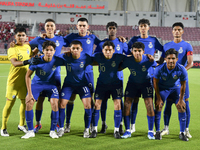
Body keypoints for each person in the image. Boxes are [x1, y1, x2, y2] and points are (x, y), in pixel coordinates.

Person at [62, 17, 101, 133]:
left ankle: (92, 126)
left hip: (88, 73)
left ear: (88, 27)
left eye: (84, 25)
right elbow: (58, 42)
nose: (82, 28)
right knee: (71, 98)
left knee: (90, 100)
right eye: (80, 25)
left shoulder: (92, 37)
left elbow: (103, 44)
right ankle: (67, 124)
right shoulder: (71, 37)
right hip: (74, 72)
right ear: (77, 26)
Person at [29, 18, 66, 133]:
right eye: (47, 26)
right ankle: (38, 124)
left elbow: (77, 41)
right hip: (41, 75)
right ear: (44, 28)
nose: (49, 28)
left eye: (51, 26)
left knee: (55, 101)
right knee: (39, 100)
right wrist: (33, 53)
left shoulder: (61, 39)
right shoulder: (39, 39)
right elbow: (26, 47)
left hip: (55, 75)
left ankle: (56, 125)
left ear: (55, 28)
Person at [127, 18, 163, 133]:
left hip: (150, 76)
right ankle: (132, 126)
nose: (143, 28)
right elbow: (126, 51)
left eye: (145, 26)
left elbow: (163, 50)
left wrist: (159, 63)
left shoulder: (153, 40)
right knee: (134, 101)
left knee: (149, 102)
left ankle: (151, 129)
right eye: (141, 26)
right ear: (139, 27)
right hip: (136, 74)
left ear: (148, 27)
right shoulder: (134, 39)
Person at [1, 27, 38, 137]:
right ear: (15, 36)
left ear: (26, 36)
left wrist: (34, 54)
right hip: (14, 81)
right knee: (9, 104)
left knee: (24, 102)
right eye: (19, 35)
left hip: (25, 81)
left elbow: (30, 56)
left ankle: (21, 124)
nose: (21, 37)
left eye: (23, 35)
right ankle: (3, 127)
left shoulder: (27, 46)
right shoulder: (12, 48)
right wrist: (28, 61)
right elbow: (15, 63)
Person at [21, 41, 63, 139]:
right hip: (37, 84)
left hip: (51, 85)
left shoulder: (57, 60)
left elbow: (70, 60)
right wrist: (29, 93)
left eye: (51, 50)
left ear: (54, 51)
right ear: (43, 51)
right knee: (29, 102)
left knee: (55, 103)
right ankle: (30, 131)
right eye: (47, 50)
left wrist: (68, 53)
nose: (49, 52)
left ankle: (52, 131)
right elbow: (27, 76)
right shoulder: (36, 60)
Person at [158, 22, 193, 138]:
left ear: (182, 31)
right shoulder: (166, 46)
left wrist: (181, 72)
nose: (177, 31)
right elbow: (161, 62)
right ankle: (166, 128)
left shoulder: (187, 46)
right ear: (172, 31)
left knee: (184, 104)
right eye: (175, 29)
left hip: (181, 80)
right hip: (168, 80)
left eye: (179, 29)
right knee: (168, 103)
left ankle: (185, 130)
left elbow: (190, 63)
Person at [94, 21, 129, 134]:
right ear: (107, 30)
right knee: (102, 102)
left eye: (114, 28)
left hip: (118, 77)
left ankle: (120, 125)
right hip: (104, 77)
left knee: (119, 102)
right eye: (110, 28)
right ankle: (103, 124)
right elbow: (96, 57)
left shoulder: (121, 42)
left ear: (116, 29)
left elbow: (128, 56)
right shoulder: (101, 44)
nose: (112, 30)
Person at [57, 40, 93, 138]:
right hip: (68, 85)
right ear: (70, 49)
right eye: (73, 48)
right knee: (61, 104)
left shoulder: (86, 57)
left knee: (88, 106)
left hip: (82, 85)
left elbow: (99, 60)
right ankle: (62, 127)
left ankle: (86, 129)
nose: (75, 50)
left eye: (77, 48)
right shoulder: (65, 56)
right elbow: (53, 58)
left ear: (81, 49)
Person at [120, 42, 157, 139]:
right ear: (132, 51)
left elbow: (157, 68)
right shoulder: (128, 60)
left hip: (146, 83)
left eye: (139, 51)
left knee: (149, 105)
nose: (137, 53)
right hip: (132, 83)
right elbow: (119, 67)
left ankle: (150, 131)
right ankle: (127, 130)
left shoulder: (149, 60)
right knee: (127, 104)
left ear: (143, 52)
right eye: (135, 51)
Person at [90, 41, 125, 139]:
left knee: (117, 105)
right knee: (97, 105)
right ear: (102, 50)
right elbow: (86, 58)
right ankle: (94, 130)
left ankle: (116, 131)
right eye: (106, 50)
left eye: (110, 50)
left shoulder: (118, 57)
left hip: (115, 84)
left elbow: (131, 58)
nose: (108, 52)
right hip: (101, 84)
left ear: (113, 50)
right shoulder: (98, 56)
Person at [154, 48, 188, 141]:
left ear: (177, 59)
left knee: (181, 107)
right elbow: (155, 83)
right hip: (163, 89)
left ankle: (182, 133)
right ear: (165, 59)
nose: (171, 61)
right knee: (158, 106)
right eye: (169, 58)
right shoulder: (159, 68)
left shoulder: (181, 69)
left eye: (173, 58)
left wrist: (181, 100)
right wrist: (158, 98)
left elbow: (183, 85)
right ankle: (157, 132)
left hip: (175, 89)